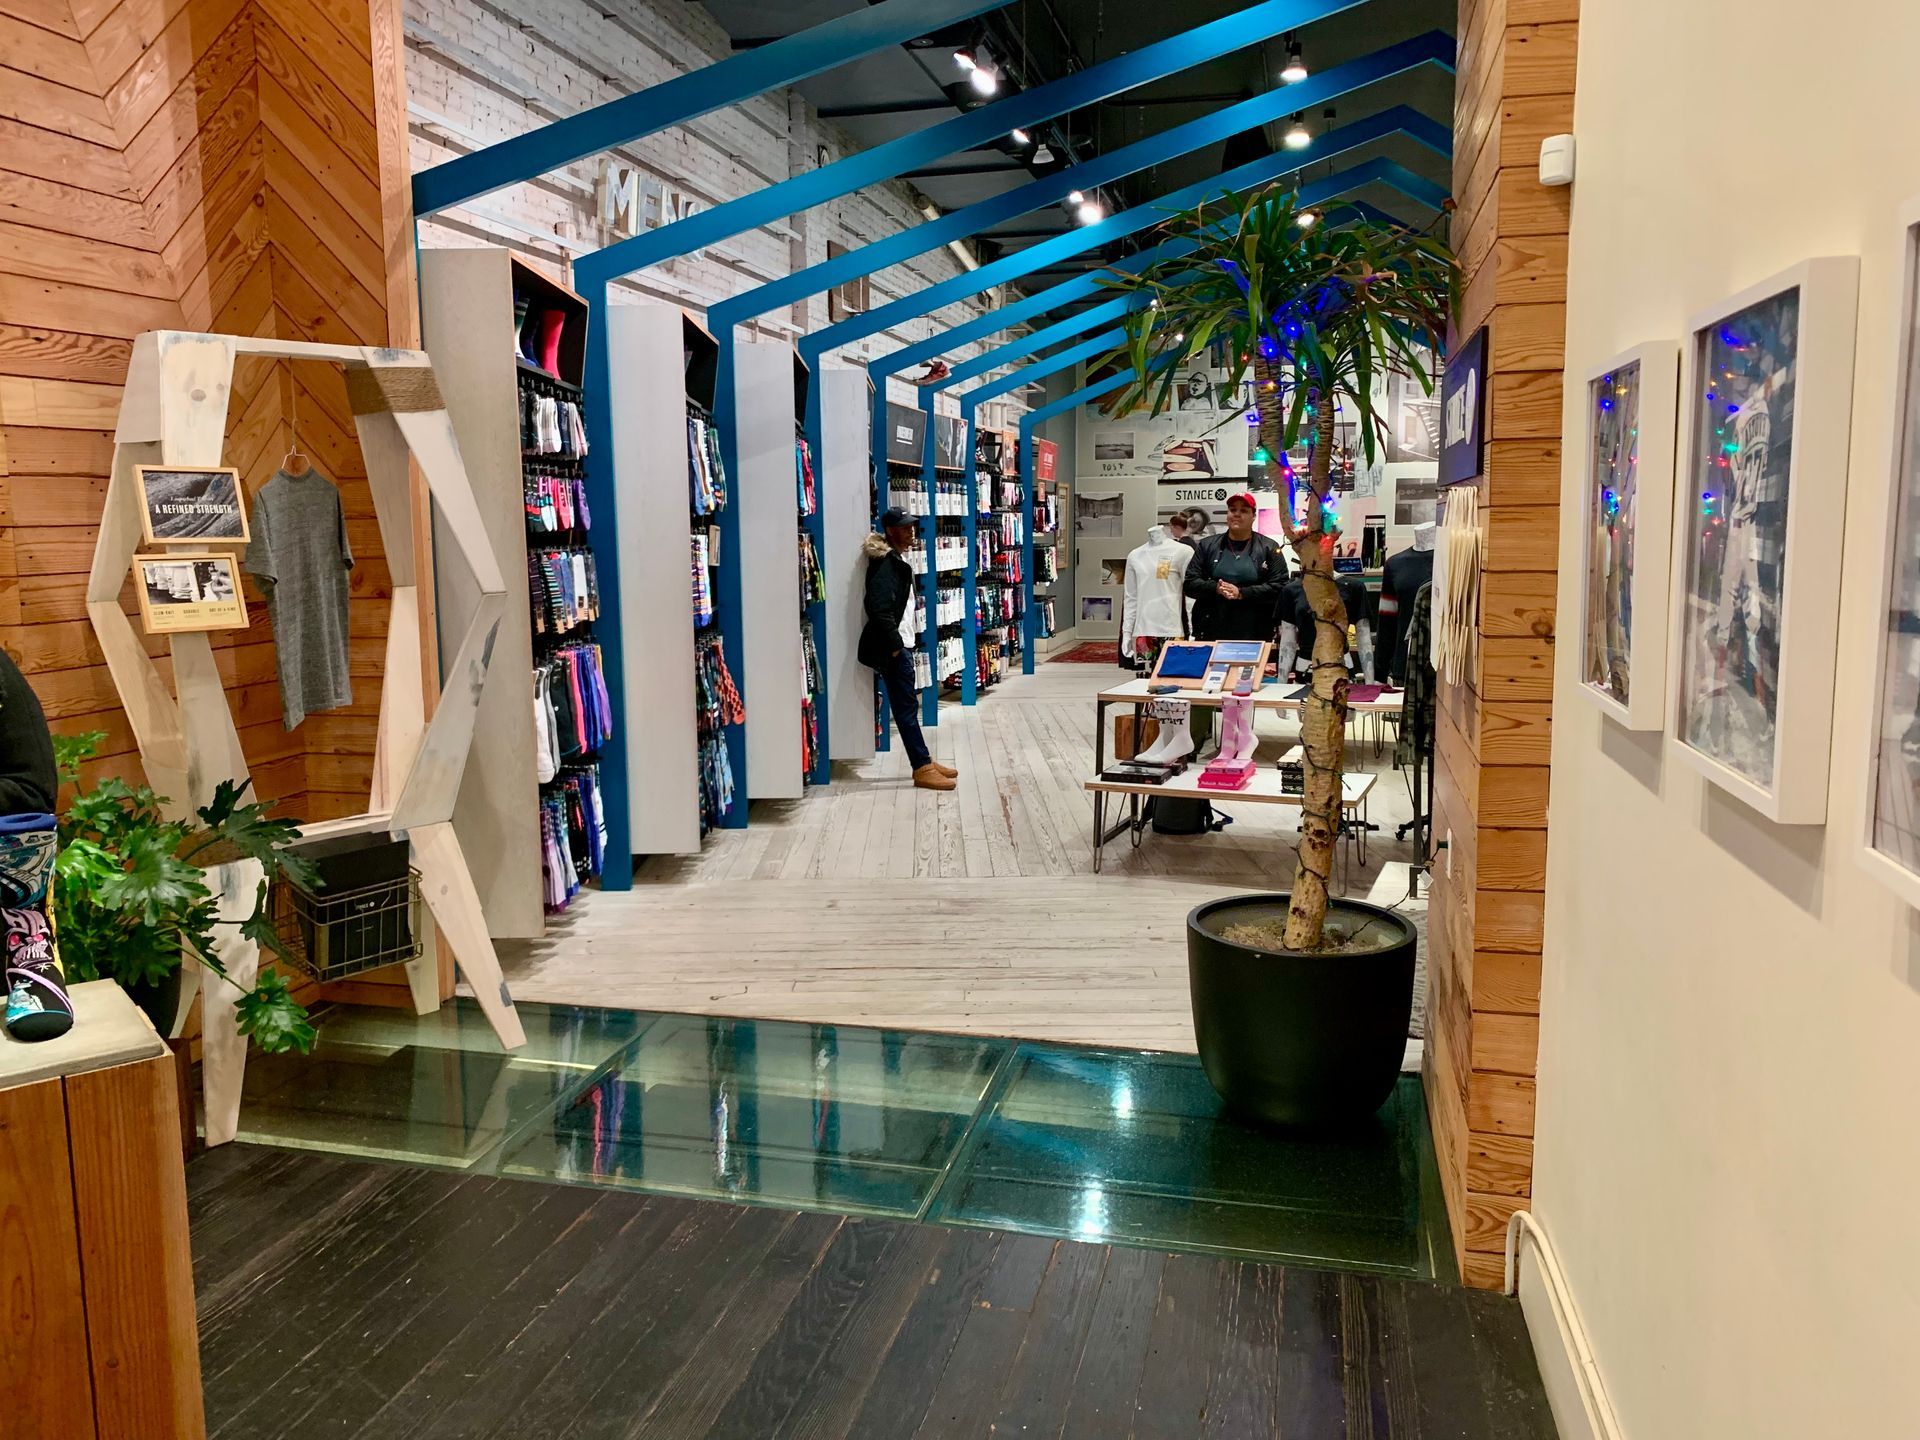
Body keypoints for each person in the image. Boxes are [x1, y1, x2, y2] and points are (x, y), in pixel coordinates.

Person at [858, 509, 957, 792]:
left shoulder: (896, 559)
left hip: (902, 644)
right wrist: (894, 647)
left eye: (912, 526)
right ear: (889, 530)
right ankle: (921, 767)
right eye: (904, 527)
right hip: (896, 647)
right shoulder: (885, 563)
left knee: (908, 706)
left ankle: (924, 759)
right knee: (905, 708)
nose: (911, 531)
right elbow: (878, 607)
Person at [1183, 492, 1290, 748]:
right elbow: (1190, 583)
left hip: (1251, 632)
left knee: (1242, 691)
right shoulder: (1207, 546)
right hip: (1210, 630)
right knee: (1205, 686)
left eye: (1243, 510)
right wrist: (1216, 589)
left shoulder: (1269, 548)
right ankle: (1195, 741)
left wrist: (1243, 593)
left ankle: (1239, 743)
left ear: (1253, 516)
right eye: (1232, 509)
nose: (1236, 514)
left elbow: (1280, 586)